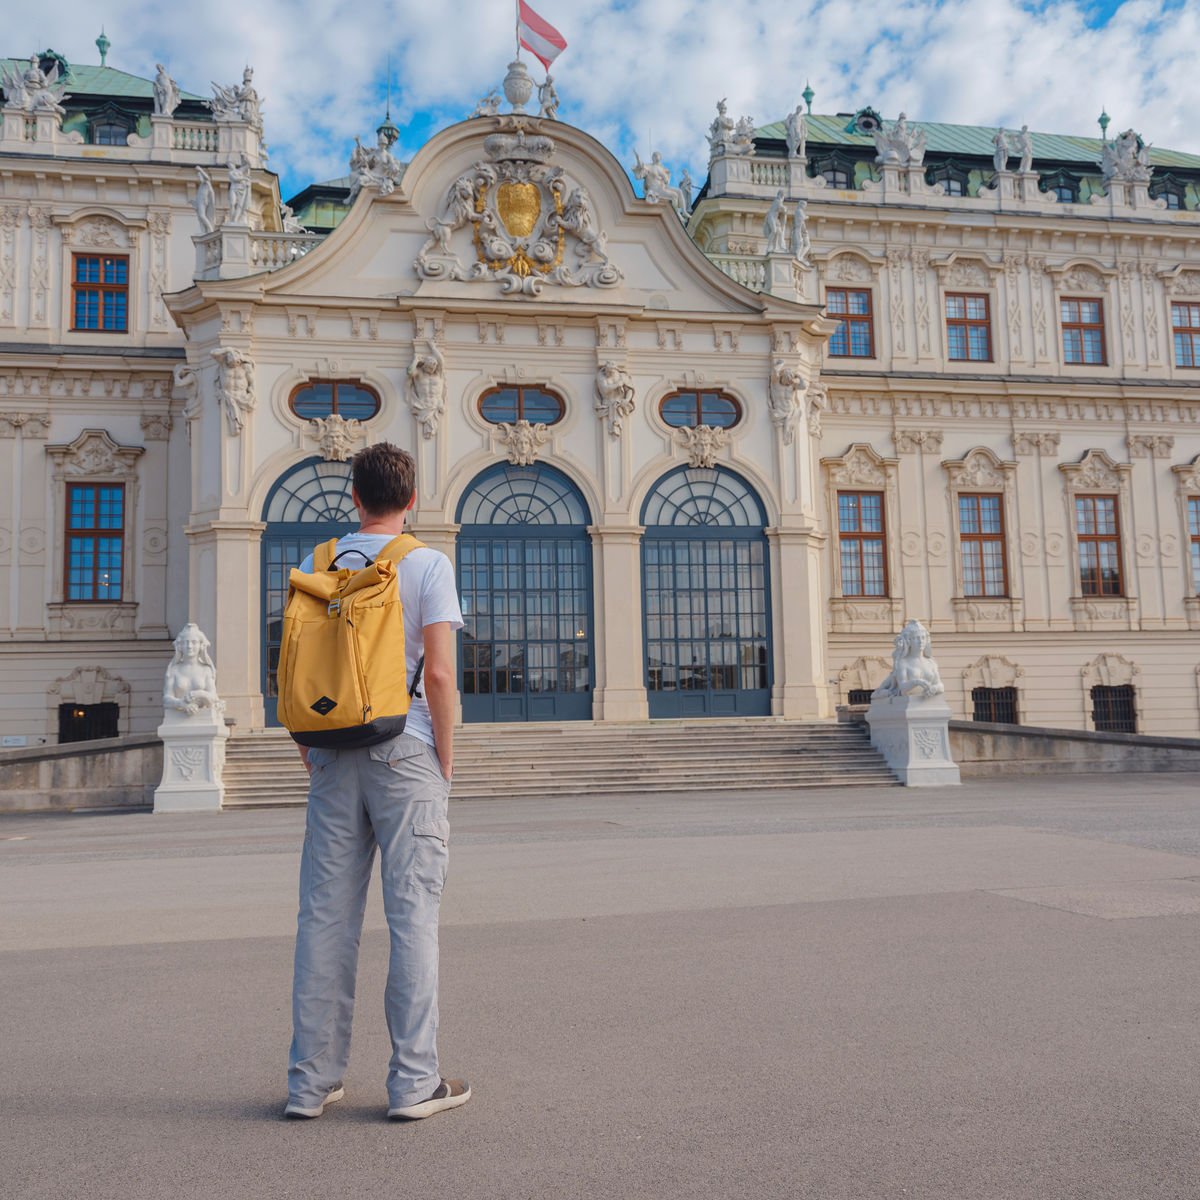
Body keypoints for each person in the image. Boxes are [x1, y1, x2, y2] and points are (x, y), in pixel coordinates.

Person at [285, 442, 470, 1122]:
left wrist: (308, 742)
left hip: (331, 753)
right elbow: (443, 676)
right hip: (407, 749)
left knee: (325, 918)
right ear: (411, 498)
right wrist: (445, 760)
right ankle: (413, 1084)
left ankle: (310, 1083)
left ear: (354, 498)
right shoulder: (425, 563)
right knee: (412, 917)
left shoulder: (317, 561)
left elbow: (293, 662)